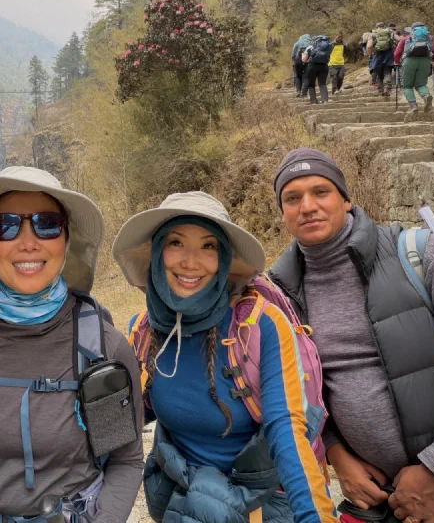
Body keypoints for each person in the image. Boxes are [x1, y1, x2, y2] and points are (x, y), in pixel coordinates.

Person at [269, 148, 434, 523]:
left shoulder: (421, 255)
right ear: (283, 213)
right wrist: (337, 455)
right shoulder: (283, 293)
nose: (307, 206)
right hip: (377, 498)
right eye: (293, 198)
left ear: (345, 199)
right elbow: (299, 394)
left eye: (320, 192)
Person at [0, 166, 144, 523]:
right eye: (5, 225)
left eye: (47, 223)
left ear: (66, 240)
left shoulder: (101, 348)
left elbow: (124, 460)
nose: (27, 241)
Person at [113, 191, 339, 523]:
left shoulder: (259, 326)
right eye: (175, 243)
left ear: (225, 261)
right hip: (183, 501)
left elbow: (286, 429)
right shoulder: (144, 333)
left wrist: (314, 517)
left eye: (209, 246)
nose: (190, 262)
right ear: (157, 253)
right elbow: (124, 424)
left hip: (261, 505)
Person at [394, 21, 434, 112]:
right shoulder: (429, 38)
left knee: (407, 86)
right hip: (425, 61)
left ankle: (413, 106)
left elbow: (397, 53)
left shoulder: (406, 38)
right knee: (421, 84)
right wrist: (433, 59)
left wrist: (396, 62)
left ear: (412, 30)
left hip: (409, 61)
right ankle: (426, 96)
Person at [300, 35, 333, 104]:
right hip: (324, 65)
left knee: (311, 84)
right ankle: (325, 100)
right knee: (322, 84)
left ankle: (314, 100)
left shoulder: (311, 47)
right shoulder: (328, 47)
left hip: (312, 66)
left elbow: (304, 60)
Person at [366, 22, 396, 98]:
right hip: (388, 54)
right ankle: (387, 89)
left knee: (379, 74)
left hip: (377, 54)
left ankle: (380, 90)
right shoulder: (389, 32)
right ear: (384, 26)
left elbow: (369, 46)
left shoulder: (373, 34)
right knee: (387, 72)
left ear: (376, 27)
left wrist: (370, 55)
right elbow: (396, 41)